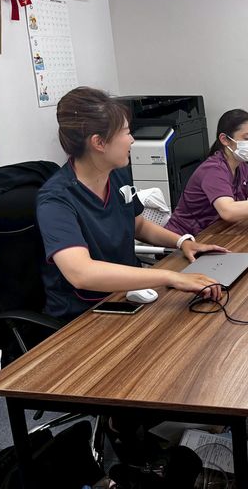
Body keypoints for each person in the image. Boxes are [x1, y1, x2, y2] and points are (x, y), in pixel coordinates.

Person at [37, 87, 226, 322]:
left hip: (127, 296)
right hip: (84, 315)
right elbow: (81, 273)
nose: (132, 139)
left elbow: (138, 225)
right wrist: (170, 277)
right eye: (127, 132)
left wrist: (182, 242)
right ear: (99, 142)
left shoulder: (116, 175)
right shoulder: (56, 200)